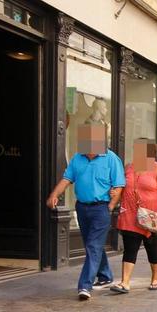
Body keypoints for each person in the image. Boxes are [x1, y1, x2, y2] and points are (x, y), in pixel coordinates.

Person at [45, 124, 125, 301]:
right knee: (92, 244)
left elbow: (119, 185)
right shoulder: (77, 159)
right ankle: (105, 275)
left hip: (101, 208)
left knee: (93, 246)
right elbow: (66, 179)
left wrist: (111, 205)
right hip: (82, 207)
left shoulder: (111, 159)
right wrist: (54, 195)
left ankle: (85, 285)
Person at [111, 139, 157, 293]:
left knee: (152, 248)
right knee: (130, 248)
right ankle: (125, 282)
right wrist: (114, 193)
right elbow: (121, 186)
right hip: (130, 214)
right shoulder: (129, 168)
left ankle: (155, 278)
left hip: (151, 215)